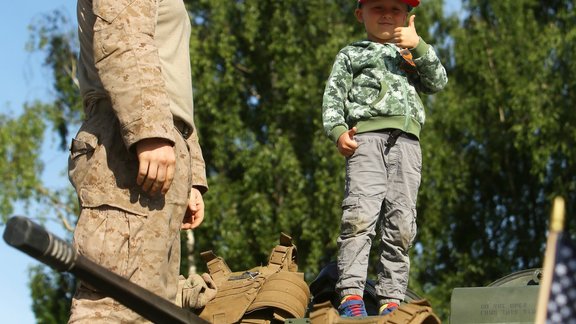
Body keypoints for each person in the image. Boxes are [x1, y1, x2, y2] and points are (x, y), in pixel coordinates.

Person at [68, 0, 211, 322]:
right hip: (127, 141)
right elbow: (123, 39)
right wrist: (149, 131)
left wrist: (192, 176)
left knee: (152, 305)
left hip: (158, 138)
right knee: (116, 307)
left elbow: (173, 86)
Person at [322, 0, 448, 317]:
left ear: (407, 16)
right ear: (360, 14)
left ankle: (391, 298)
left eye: (396, 9)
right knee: (359, 216)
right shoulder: (353, 54)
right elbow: (333, 96)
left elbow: (438, 82)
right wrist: (338, 132)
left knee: (402, 224)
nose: (388, 15)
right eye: (378, 8)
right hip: (367, 140)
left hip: (408, 145)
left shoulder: (410, 54)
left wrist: (418, 46)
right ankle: (351, 295)